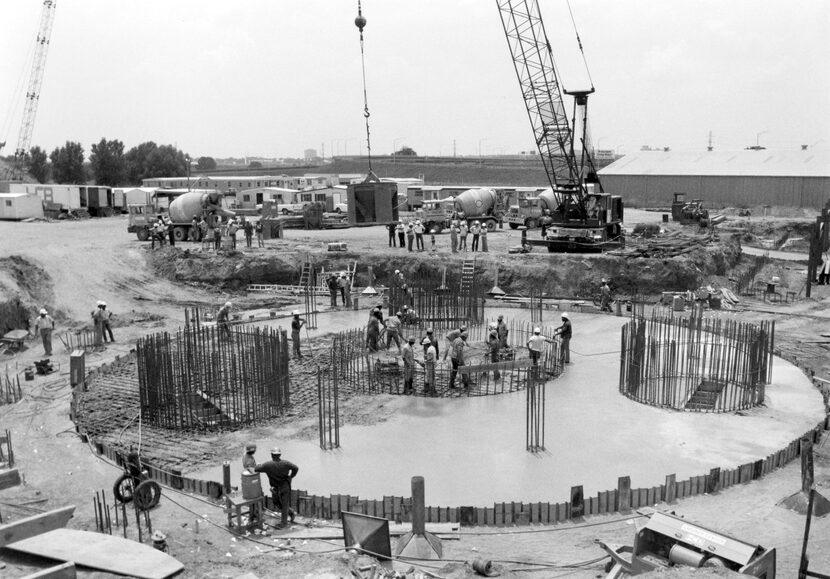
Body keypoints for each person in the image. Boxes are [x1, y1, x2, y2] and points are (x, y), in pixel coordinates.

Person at [254, 448, 298, 528]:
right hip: (284, 486)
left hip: (276, 488)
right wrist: (291, 476)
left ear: (271, 455)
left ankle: (284, 523)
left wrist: (258, 465)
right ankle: (291, 513)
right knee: (280, 504)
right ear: (280, 455)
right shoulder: (286, 463)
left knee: (280, 504)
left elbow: (256, 469)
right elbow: (296, 468)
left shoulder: (267, 465)